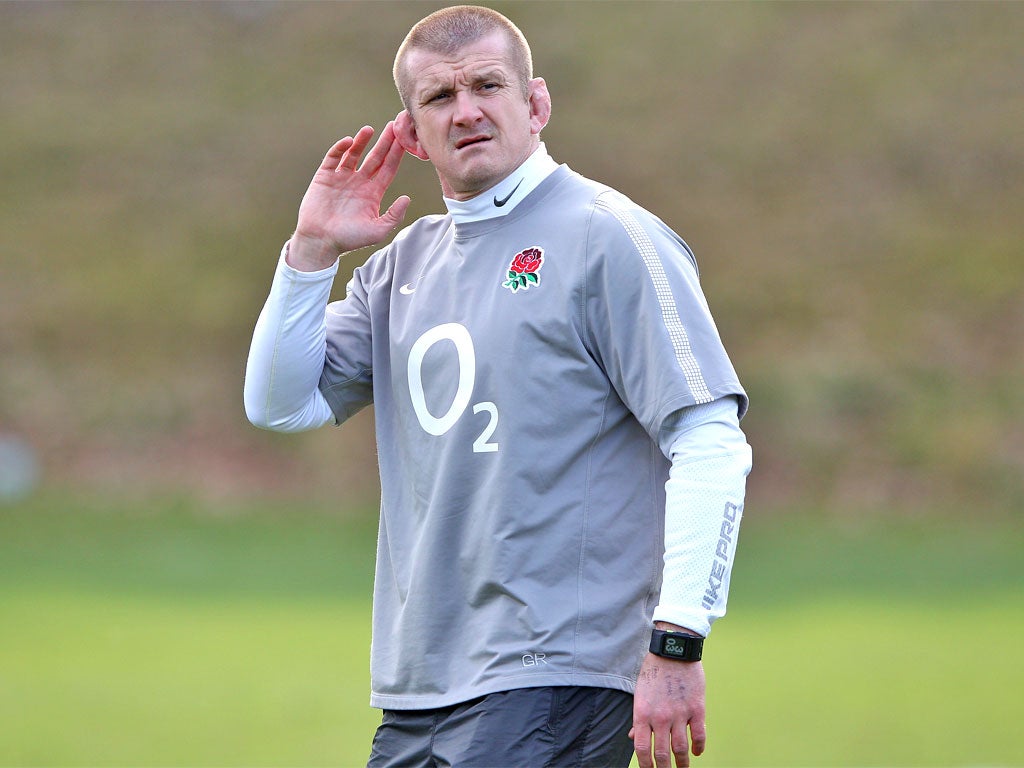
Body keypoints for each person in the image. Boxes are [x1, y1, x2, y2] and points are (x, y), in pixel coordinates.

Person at [244, 5, 752, 767]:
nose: (468, 110)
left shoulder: (606, 235)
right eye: (440, 97)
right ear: (412, 133)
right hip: (420, 688)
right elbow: (280, 402)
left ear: (537, 103)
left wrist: (677, 640)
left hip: (555, 679)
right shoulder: (401, 265)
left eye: (488, 84)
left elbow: (709, 440)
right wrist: (311, 250)